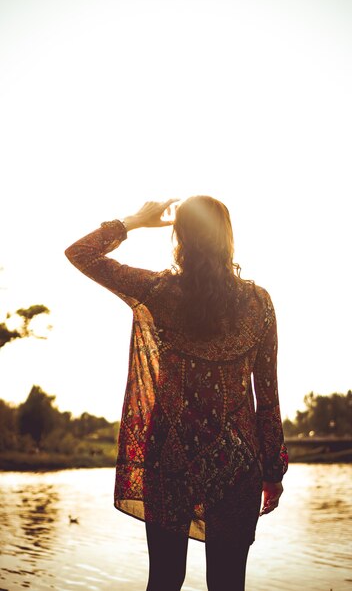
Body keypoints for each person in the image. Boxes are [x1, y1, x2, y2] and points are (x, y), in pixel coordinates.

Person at [65, 196, 288, 591]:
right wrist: (273, 472)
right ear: (228, 237)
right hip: (237, 462)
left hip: (171, 455)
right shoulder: (260, 305)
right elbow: (267, 396)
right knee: (228, 583)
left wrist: (133, 221)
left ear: (179, 236)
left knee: (165, 579)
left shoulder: (159, 291)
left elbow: (80, 253)